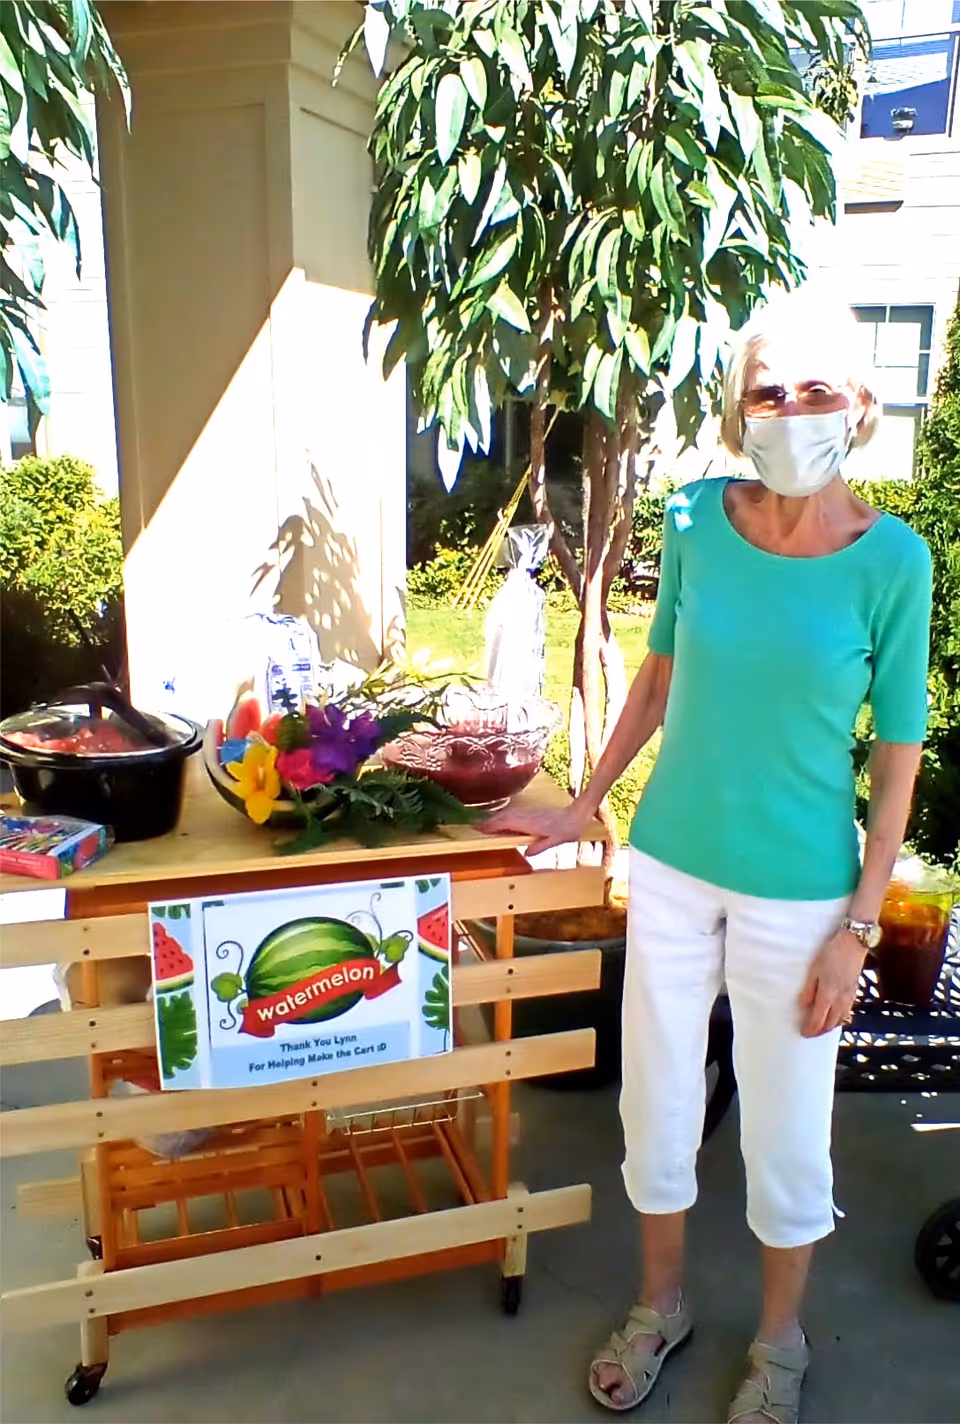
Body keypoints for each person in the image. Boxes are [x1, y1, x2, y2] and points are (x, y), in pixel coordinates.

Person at [483, 291, 932, 1423]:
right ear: (739, 412)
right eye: (765, 391)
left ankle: (780, 1344)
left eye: (816, 390)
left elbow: (896, 751)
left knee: (786, 1130)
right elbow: (656, 675)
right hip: (675, 868)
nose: (790, 411)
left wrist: (861, 921)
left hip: (803, 893)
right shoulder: (692, 520)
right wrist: (584, 801)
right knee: (657, 1102)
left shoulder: (894, 562)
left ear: (862, 407)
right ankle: (662, 1303)